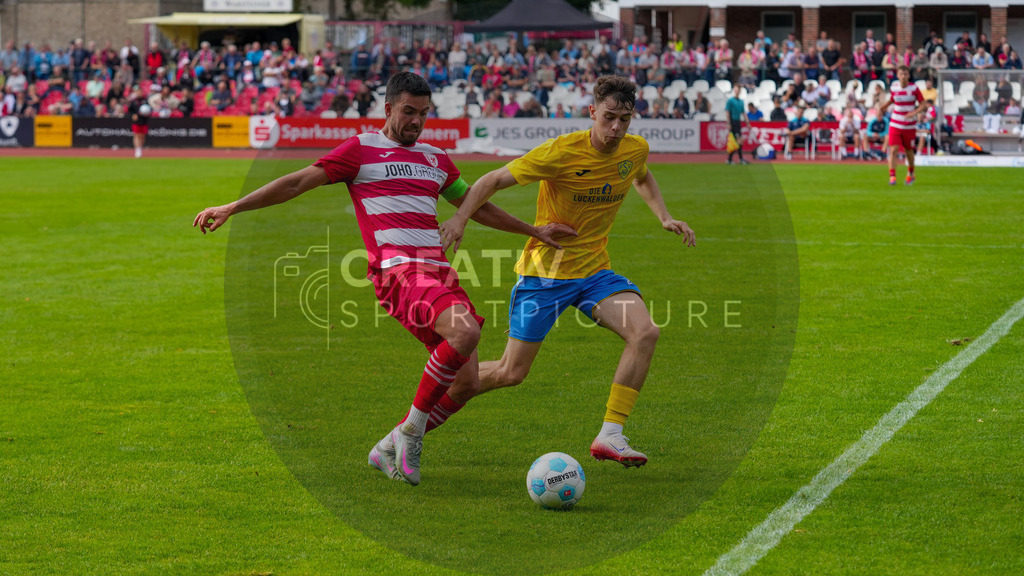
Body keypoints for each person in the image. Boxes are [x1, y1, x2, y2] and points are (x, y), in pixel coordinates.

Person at [193, 72, 571, 487]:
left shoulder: (435, 158)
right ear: (388, 109)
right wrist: (234, 205)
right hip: (398, 272)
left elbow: (476, 206)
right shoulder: (361, 149)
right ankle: (411, 433)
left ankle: (389, 444)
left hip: (440, 274)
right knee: (465, 334)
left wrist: (534, 232)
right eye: (408, 112)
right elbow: (297, 182)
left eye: (423, 114)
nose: (416, 121)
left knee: (466, 383)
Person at [434, 76, 696, 468]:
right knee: (511, 372)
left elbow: (641, 175)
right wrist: (459, 219)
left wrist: (663, 215)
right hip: (546, 274)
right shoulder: (560, 152)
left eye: (625, 119)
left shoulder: (633, 149)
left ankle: (611, 435)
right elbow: (491, 180)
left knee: (645, 333)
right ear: (592, 112)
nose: (616, 128)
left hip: (594, 273)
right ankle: (427, 404)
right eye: (609, 117)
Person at [880, 66, 927, 185]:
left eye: (905, 74)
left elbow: (923, 104)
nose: (903, 77)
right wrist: (884, 106)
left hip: (909, 125)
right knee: (893, 149)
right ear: (898, 75)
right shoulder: (894, 87)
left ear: (909, 76)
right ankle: (892, 177)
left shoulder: (914, 88)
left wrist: (914, 112)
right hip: (895, 122)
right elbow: (892, 99)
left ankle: (911, 173)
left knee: (908, 151)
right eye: (901, 74)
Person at [725, 84, 752, 164]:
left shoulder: (741, 102)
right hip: (733, 122)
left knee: (736, 141)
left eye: (738, 90)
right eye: (736, 89)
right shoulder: (730, 101)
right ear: (734, 90)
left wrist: (747, 123)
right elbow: (727, 112)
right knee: (738, 141)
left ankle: (730, 159)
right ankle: (740, 159)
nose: (737, 91)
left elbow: (743, 113)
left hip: (738, 122)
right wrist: (729, 123)